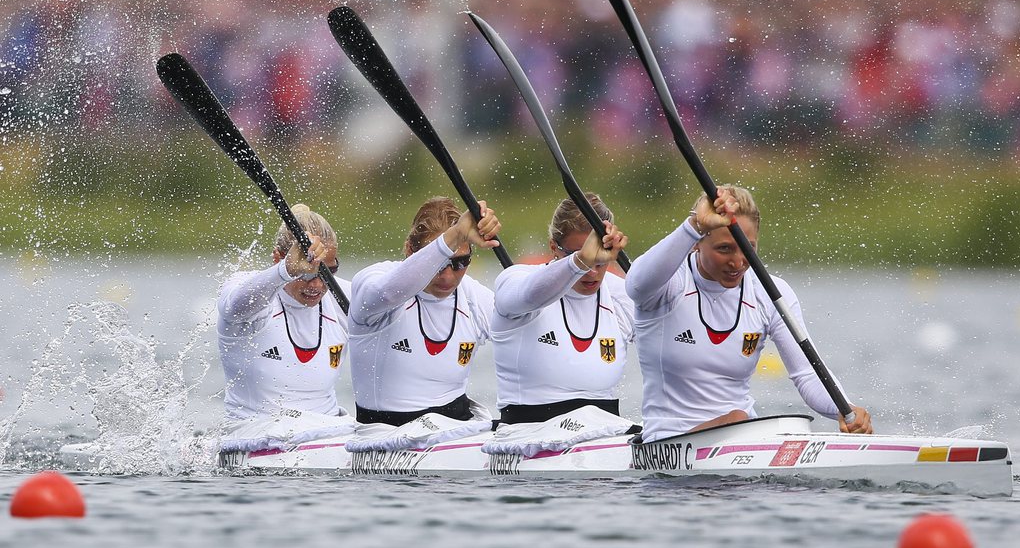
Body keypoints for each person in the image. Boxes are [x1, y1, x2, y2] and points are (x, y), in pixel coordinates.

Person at [624, 185, 872, 442]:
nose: (738, 261)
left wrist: (843, 408)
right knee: (738, 419)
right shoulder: (669, 285)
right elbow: (636, 284)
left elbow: (807, 373)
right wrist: (694, 224)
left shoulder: (768, 292)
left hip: (742, 436)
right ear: (698, 242)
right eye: (724, 249)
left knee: (760, 422)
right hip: (668, 442)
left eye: (747, 247)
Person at [347, 197, 501, 426]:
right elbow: (387, 294)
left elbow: (527, 326)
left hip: (457, 428)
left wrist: (574, 263)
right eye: (438, 263)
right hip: (384, 434)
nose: (449, 276)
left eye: (460, 262)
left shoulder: (473, 297)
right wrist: (455, 235)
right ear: (410, 251)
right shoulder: (375, 281)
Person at [490, 194, 635, 424]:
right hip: (527, 440)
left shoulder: (622, 294)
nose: (592, 272)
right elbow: (528, 295)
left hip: (603, 442)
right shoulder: (516, 280)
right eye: (581, 256)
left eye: (599, 258)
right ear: (553, 248)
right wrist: (580, 261)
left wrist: (694, 229)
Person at [217, 204, 351, 422]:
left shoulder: (344, 295)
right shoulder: (248, 290)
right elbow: (233, 307)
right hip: (254, 435)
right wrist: (286, 271)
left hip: (329, 432)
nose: (317, 285)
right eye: (307, 273)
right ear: (278, 258)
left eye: (328, 271)